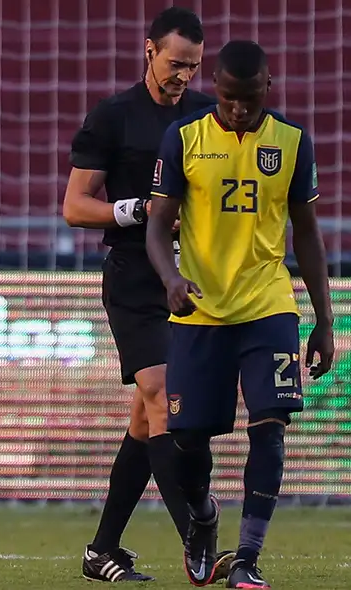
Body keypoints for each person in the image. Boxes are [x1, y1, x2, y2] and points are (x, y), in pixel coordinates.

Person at [147, 39, 334, 589]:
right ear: (216, 89)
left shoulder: (292, 142)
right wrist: (171, 279)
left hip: (267, 306)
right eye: (228, 97)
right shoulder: (184, 137)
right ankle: (203, 517)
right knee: (186, 440)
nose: (238, 108)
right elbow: (157, 225)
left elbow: (307, 233)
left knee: (270, 428)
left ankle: (247, 560)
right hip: (200, 309)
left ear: (267, 88)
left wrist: (324, 320)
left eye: (249, 98)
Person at [63, 6, 233, 582]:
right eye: (174, 63)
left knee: (145, 418)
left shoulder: (208, 118)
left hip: (194, 280)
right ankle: (198, 535)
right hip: (135, 276)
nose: (182, 74)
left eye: (193, 66)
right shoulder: (113, 116)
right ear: (149, 50)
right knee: (162, 395)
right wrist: (139, 210)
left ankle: (101, 550)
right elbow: (74, 206)